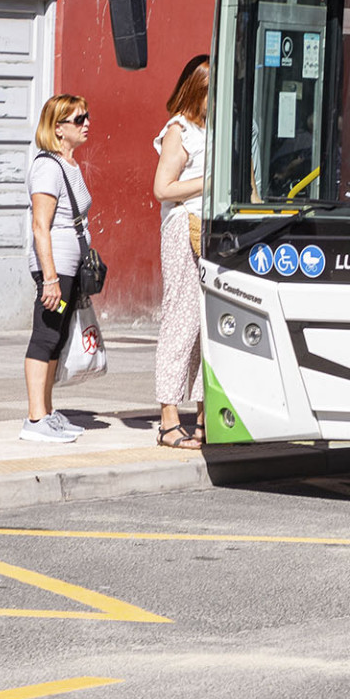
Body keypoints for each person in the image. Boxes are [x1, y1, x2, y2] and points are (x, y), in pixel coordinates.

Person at [21, 94, 94, 444]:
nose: (86, 124)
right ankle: (35, 418)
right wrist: (49, 279)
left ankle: (47, 412)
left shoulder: (69, 164)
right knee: (46, 335)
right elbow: (40, 225)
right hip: (56, 267)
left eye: (86, 117)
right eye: (79, 119)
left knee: (58, 337)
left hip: (69, 266)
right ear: (58, 128)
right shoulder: (48, 166)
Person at [152, 56, 208, 449]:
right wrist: (211, 181)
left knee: (210, 327)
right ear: (199, 90)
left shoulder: (221, 128)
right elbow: (163, 188)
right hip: (184, 228)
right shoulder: (179, 130)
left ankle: (205, 416)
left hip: (215, 231)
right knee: (181, 321)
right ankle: (168, 418)